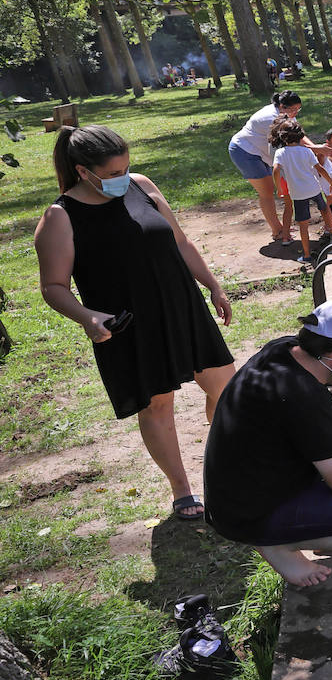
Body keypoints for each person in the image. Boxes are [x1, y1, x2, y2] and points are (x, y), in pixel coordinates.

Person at [34, 125, 235, 520]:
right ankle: (182, 489)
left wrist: (213, 286)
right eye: (112, 174)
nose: (122, 179)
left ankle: (227, 459)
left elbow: (180, 242)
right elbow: (53, 286)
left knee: (227, 386)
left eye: (125, 168)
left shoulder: (141, 185)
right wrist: (87, 316)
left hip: (181, 307)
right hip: (128, 325)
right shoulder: (60, 217)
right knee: (157, 404)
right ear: (82, 171)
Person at [203, 299, 332, 587]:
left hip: (240, 489)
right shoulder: (305, 397)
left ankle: (313, 530)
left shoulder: (285, 350)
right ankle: (276, 544)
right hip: (247, 514)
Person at [228, 89, 315, 243]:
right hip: (244, 151)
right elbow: (294, 140)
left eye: (298, 109)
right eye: (293, 109)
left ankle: (280, 227)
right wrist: (316, 149)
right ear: (282, 106)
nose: (295, 113)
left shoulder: (285, 114)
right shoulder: (271, 118)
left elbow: (298, 135)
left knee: (270, 189)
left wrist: (315, 147)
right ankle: (277, 230)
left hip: (260, 152)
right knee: (267, 191)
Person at [270, 115, 332, 264]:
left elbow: (276, 170)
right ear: (300, 135)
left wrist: (279, 188)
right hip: (314, 188)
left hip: (297, 193)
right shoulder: (306, 151)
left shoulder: (280, 153)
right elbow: (319, 169)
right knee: (324, 209)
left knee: (303, 224)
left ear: (283, 138)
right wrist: (331, 183)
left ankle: (307, 255)